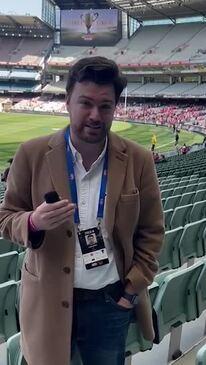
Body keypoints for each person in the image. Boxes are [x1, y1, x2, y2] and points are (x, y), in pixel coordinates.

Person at [0, 56, 164, 365]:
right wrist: (32, 221)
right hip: (47, 299)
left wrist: (130, 292)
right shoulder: (31, 154)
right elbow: (6, 216)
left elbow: (152, 232)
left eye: (105, 106)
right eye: (85, 103)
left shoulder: (139, 159)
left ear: (115, 107)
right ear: (67, 102)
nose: (94, 115)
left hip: (110, 303)